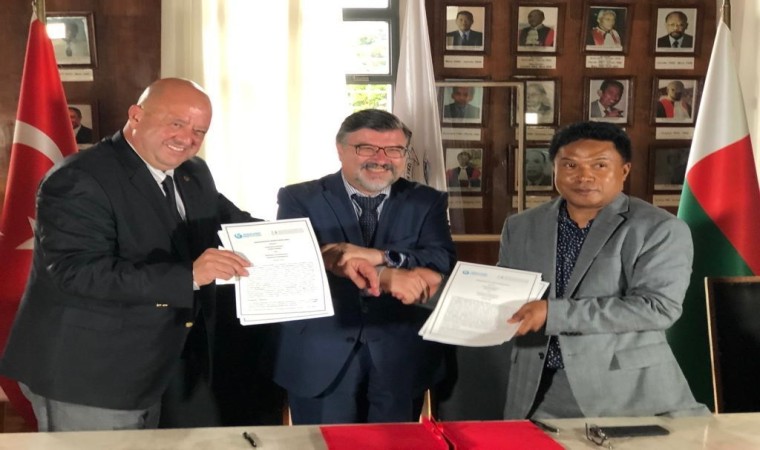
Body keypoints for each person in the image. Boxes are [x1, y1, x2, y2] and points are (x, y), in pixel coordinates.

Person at [0, 78, 257, 431]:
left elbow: (236, 224)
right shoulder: (79, 178)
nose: (187, 138)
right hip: (87, 372)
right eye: (177, 123)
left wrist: (308, 246)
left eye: (199, 131)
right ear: (136, 115)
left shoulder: (192, 172)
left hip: (160, 367)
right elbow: (78, 272)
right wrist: (189, 276)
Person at [499, 121, 709, 419]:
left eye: (599, 165)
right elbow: (506, 292)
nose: (584, 176)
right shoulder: (521, 226)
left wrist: (552, 313)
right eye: (570, 164)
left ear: (624, 170)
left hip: (627, 395)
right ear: (554, 168)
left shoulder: (659, 228)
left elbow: (657, 308)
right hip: (536, 394)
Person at [269, 109, 456, 424]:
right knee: (325, 444)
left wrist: (383, 256)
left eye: (394, 150)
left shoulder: (427, 201)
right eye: (366, 148)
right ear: (340, 149)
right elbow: (291, 263)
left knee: (394, 445)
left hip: (400, 352)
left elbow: (441, 258)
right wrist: (385, 275)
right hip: (321, 353)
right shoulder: (299, 198)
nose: (381, 159)